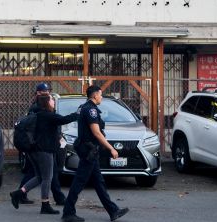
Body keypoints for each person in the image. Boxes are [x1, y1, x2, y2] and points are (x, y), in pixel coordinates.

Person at [62, 85, 129, 222]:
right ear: (94, 95)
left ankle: (113, 210)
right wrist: (111, 148)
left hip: (88, 150)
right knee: (79, 182)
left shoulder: (84, 107)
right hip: (88, 151)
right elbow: (96, 133)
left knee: (99, 182)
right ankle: (68, 212)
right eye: (100, 94)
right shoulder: (91, 110)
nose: (101, 97)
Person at [10, 94, 78, 214]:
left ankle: (18, 193)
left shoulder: (39, 115)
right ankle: (45, 205)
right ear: (47, 102)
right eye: (51, 99)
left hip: (34, 150)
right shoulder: (48, 115)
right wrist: (77, 114)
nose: (53, 101)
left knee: (39, 177)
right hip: (44, 151)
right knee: (47, 178)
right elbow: (64, 120)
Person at [18, 82, 66, 205]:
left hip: (46, 145)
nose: (48, 94)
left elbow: (54, 122)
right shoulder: (38, 107)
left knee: (40, 173)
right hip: (41, 146)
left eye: (48, 91)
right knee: (46, 174)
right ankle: (57, 198)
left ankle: (20, 193)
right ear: (39, 93)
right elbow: (39, 126)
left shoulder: (45, 105)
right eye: (45, 92)